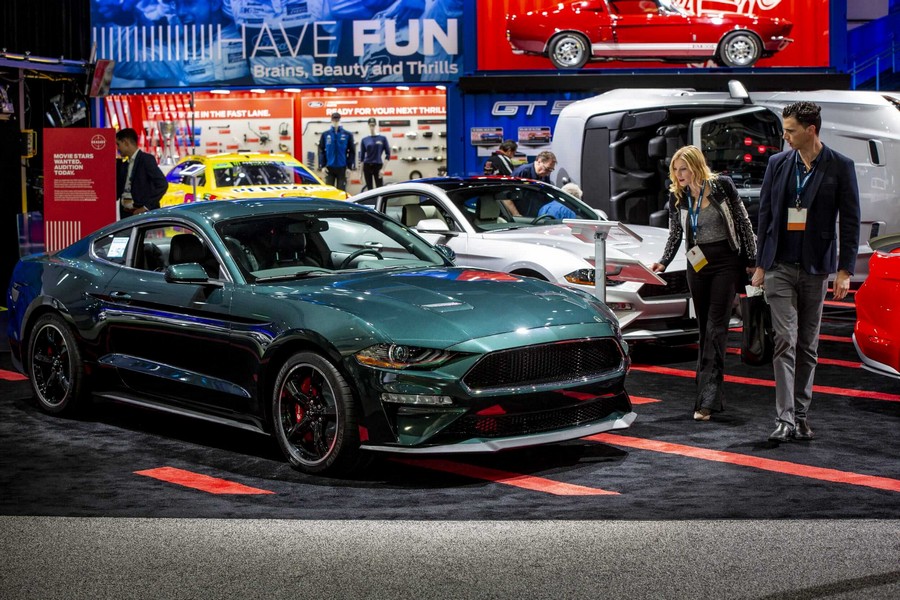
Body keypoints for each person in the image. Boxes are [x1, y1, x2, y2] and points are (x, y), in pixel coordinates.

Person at [751, 101, 861, 443]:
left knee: (808, 346)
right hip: (778, 267)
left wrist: (845, 270)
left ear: (811, 130)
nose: (784, 136)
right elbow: (765, 215)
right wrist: (759, 264)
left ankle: (801, 415)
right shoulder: (777, 163)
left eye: (791, 130)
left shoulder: (840, 166)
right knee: (785, 340)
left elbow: (851, 220)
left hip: (816, 268)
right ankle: (784, 419)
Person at [651, 145, 757, 422]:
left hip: (725, 262)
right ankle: (706, 389)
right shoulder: (678, 195)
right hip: (696, 263)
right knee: (703, 329)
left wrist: (754, 259)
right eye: (675, 169)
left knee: (715, 329)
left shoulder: (722, 186)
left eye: (683, 168)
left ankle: (707, 399)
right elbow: (676, 233)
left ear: (696, 166)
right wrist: (663, 261)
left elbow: (743, 223)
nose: (678, 174)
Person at [115, 128, 168, 219]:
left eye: (118, 144)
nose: (118, 148)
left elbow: (162, 184)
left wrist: (145, 207)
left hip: (143, 215)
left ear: (126, 142)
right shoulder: (123, 165)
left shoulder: (146, 160)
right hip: (126, 215)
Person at [317, 112, 356, 192]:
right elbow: (321, 150)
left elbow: (352, 151)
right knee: (329, 191)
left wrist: (349, 167)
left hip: (342, 168)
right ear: (331, 120)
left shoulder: (347, 134)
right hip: (329, 168)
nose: (335, 121)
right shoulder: (325, 135)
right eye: (334, 119)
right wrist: (322, 166)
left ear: (339, 120)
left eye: (337, 119)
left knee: (341, 191)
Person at [359, 117, 391, 190]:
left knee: (379, 188)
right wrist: (360, 173)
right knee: (369, 189)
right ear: (368, 126)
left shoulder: (382, 138)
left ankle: (380, 201)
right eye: (370, 125)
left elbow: (388, 154)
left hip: (378, 166)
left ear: (376, 125)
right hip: (367, 166)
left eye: (373, 125)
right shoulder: (364, 140)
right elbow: (362, 157)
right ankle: (371, 202)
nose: (372, 127)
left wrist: (383, 169)